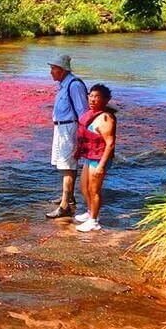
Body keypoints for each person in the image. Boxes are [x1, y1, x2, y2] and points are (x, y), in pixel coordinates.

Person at [45, 54, 88, 219]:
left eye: (53, 69)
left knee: (67, 166)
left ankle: (65, 206)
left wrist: (80, 136)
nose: (51, 72)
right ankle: (68, 198)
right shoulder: (64, 85)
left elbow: (83, 112)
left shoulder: (74, 85)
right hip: (62, 128)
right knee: (65, 165)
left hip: (69, 128)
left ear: (62, 70)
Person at [74, 84, 117, 232]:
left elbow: (110, 144)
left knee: (94, 190)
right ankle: (90, 211)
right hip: (90, 156)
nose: (92, 99)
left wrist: (101, 166)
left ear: (105, 100)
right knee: (84, 186)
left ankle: (94, 221)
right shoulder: (91, 114)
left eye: (96, 97)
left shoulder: (105, 118)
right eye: (91, 96)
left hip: (99, 158)